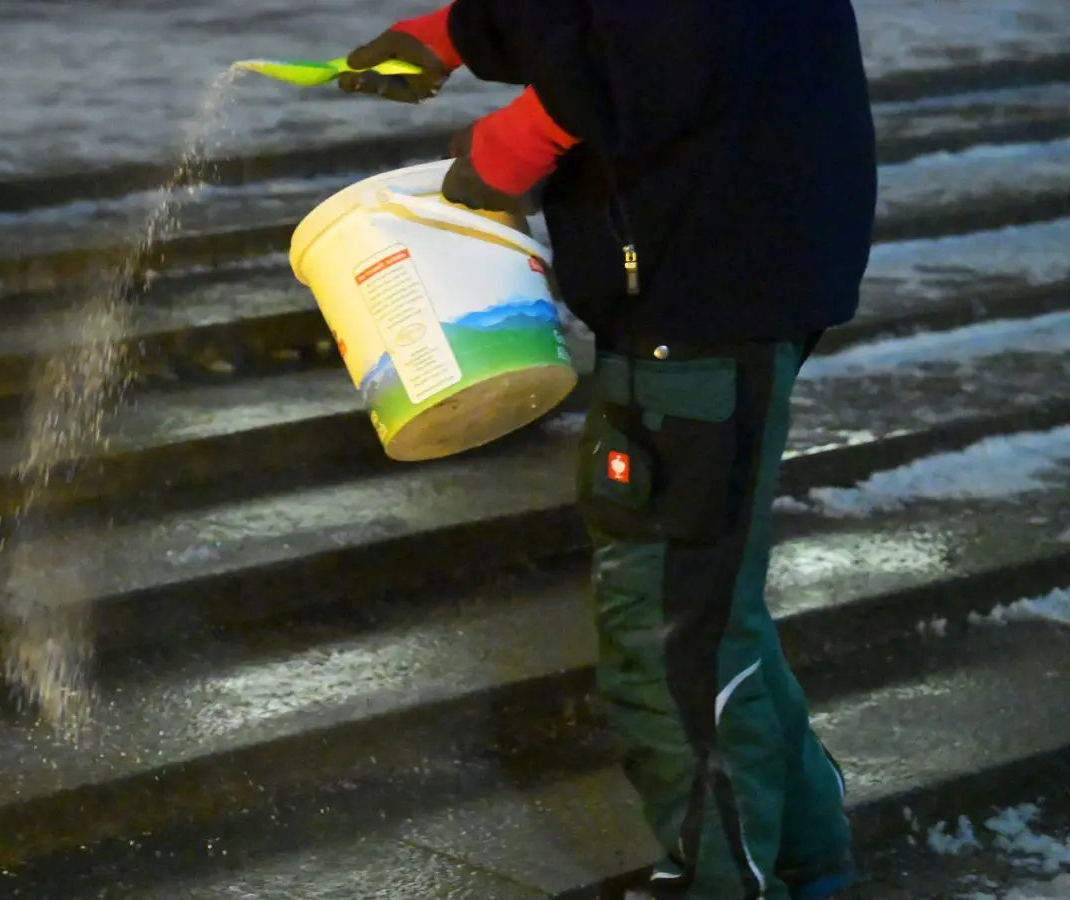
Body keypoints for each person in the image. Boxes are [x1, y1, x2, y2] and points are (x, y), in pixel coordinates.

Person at [339, 2, 878, 898]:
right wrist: (460, 32)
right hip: (727, 263)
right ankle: (805, 859)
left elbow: (674, 30)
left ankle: (717, 883)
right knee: (705, 601)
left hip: (702, 287)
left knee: (665, 627)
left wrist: (519, 141)